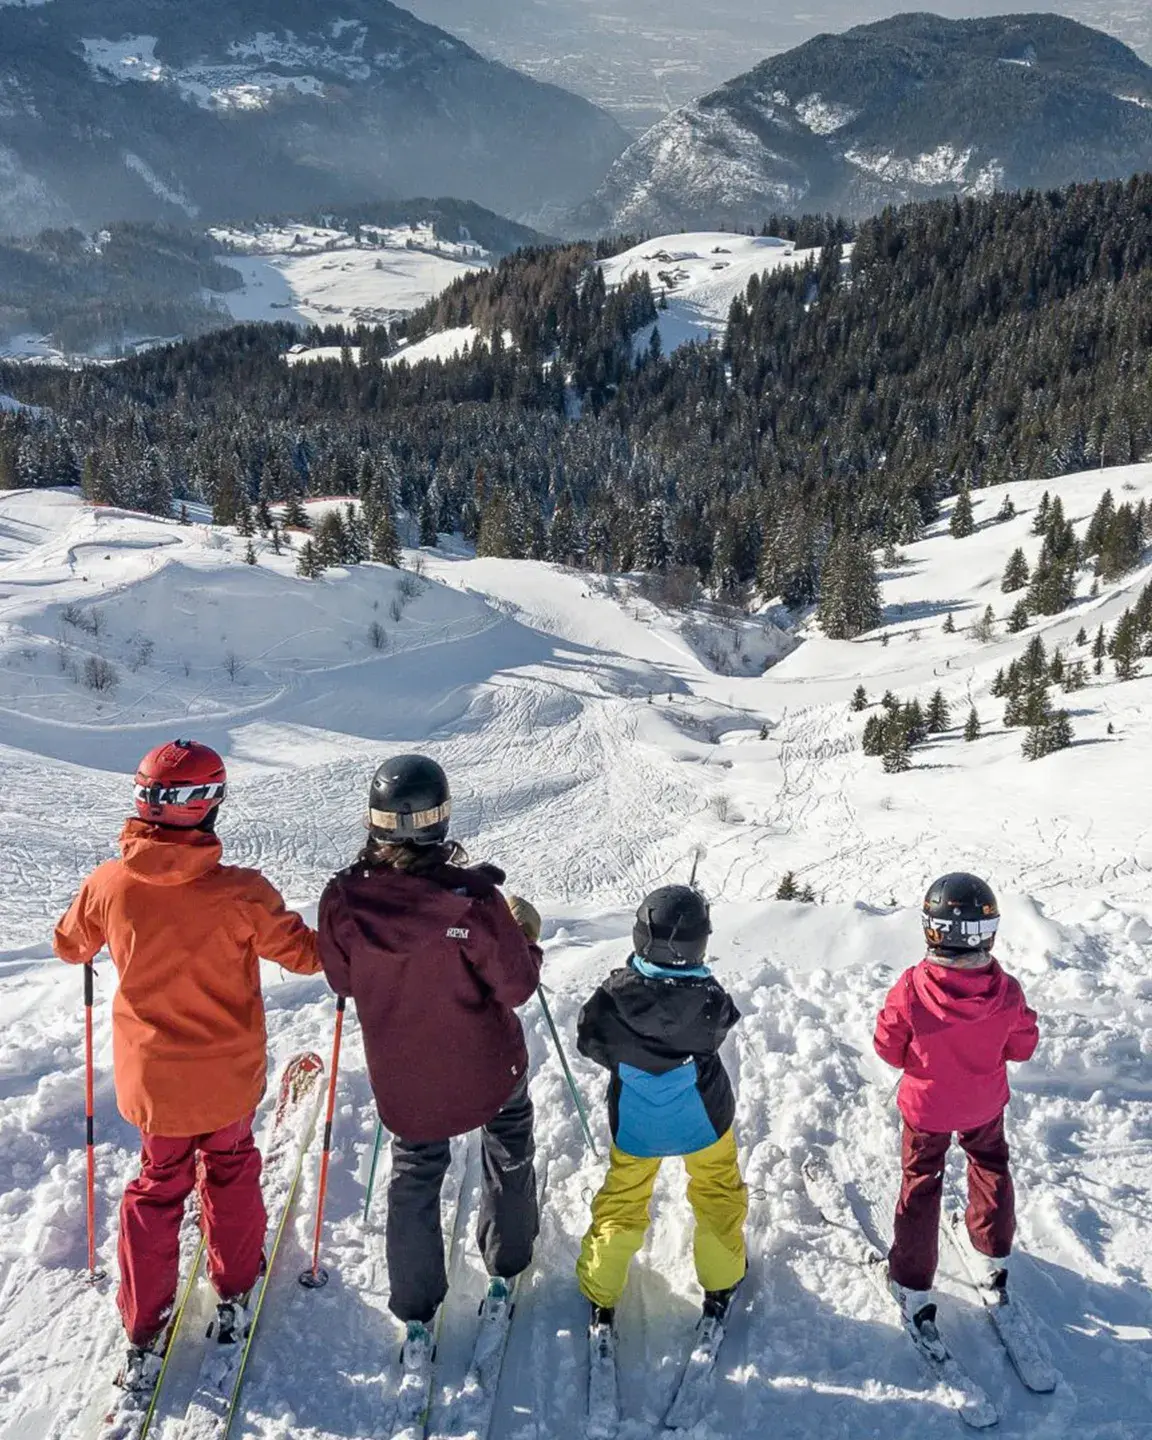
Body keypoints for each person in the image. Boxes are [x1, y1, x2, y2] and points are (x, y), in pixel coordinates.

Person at [53, 739, 320, 1390]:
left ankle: (146, 1326)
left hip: (155, 1084)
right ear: (204, 808)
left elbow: (69, 946)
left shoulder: (108, 883)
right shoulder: (242, 893)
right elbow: (308, 957)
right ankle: (234, 1289)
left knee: (158, 1186)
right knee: (230, 1170)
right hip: (227, 1078)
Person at [317, 754, 542, 1360]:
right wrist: (525, 938)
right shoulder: (474, 901)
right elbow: (517, 988)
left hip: (405, 1079)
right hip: (489, 1068)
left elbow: (340, 979)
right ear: (441, 820)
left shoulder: (342, 899)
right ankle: (508, 1260)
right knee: (509, 1143)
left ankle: (416, 1311)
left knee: (416, 1174)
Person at [575, 885, 748, 1334]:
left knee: (623, 1200)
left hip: (637, 1121)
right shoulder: (710, 997)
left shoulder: (614, 996)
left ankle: (601, 1287)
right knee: (717, 1194)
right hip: (703, 1118)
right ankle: (722, 1279)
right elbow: (719, 1030)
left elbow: (589, 1040)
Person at [874, 872, 1038, 1340]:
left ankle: (911, 1282)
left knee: (922, 1181)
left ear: (931, 928)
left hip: (926, 1110)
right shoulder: (1005, 991)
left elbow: (888, 1047)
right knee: (990, 1166)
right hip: (984, 1105)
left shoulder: (911, 988)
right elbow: (1023, 1047)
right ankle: (993, 1254)